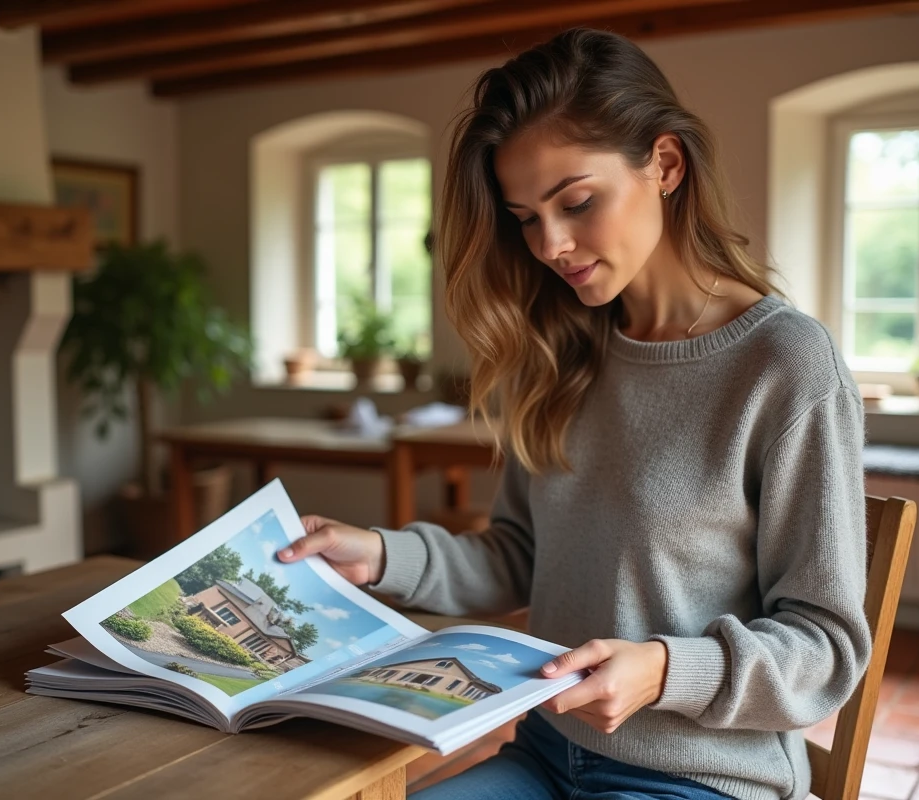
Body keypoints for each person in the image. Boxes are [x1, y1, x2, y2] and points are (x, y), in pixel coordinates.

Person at [278, 27, 871, 800]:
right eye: (526, 217)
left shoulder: (784, 366)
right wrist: (381, 556)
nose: (551, 244)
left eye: (576, 202)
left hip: (700, 779)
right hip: (543, 752)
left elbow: (825, 646)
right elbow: (523, 557)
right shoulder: (564, 352)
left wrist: (663, 670)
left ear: (664, 165)